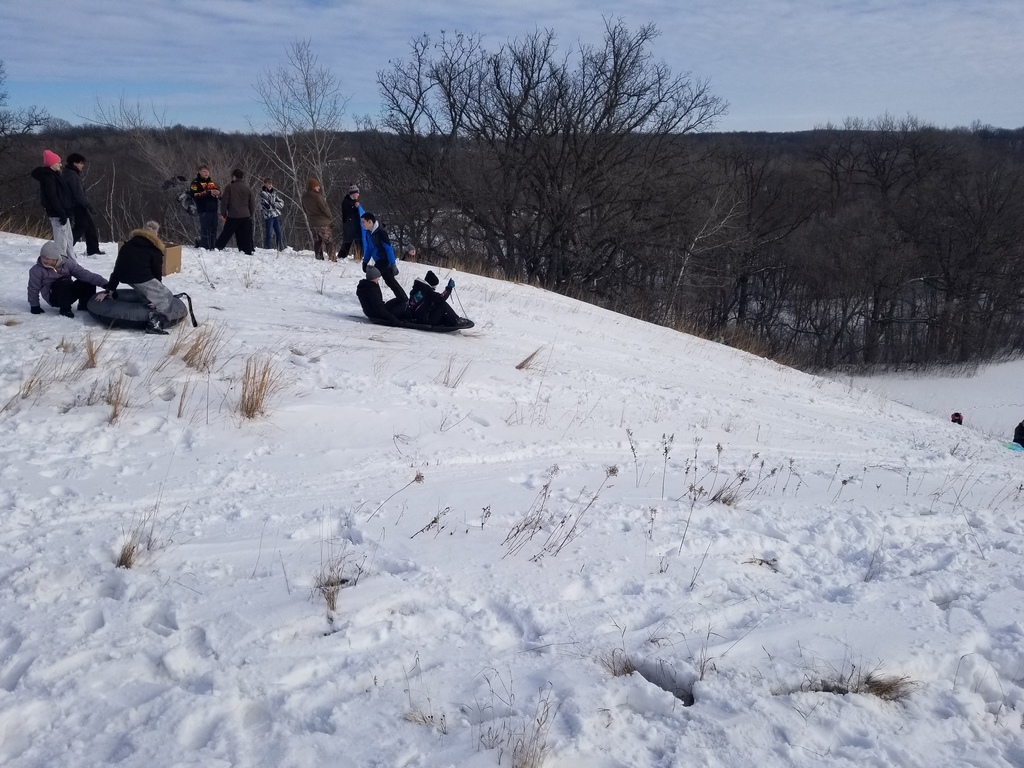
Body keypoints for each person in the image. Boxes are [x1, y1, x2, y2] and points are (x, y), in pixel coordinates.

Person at [102, 221, 177, 335]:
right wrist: (159, 291)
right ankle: (155, 324)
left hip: (124, 276)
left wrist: (110, 289)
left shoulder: (127, 245)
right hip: (141, 277)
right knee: (166, 296)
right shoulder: (155, 249)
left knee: (144, 288)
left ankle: (148, 300)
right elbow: (156, 274)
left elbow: (118, 267)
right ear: (155, 234)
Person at [27, 240, 110, 318]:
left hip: (66, 292)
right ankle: (65, 310)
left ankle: (85, 305)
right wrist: (34, 305)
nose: (44, 260)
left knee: (87, 281)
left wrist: (105, 284)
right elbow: (33, 288)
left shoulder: (67, 263)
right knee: (64, 282)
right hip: (53, 297)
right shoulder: (36, 270)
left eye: (48, 258)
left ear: (55, 258)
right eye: (43, 257)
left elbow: (84, 274)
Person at [30, 150, 76, 262]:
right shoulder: (48, 178)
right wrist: (61, 213)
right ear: (52, 163)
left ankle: (71, 261)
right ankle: (61, 261)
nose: (60, 164)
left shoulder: (55, 175)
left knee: (68, 238)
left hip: (64, 211)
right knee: (61, 240)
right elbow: (53, 197)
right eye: (58, 162)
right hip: (58, 214)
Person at [62, 153, 104, 255]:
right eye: (81, 163)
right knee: (80, 228)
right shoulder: (73, 177)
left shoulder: (67, 173)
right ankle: (65, 248)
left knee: (89, 227)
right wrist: (89, 206)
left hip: (75, 204)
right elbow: (79, 195)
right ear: (75, 163)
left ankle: (93, 250)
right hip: (76, 205)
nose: (82, 165)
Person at [360, 212, 406, 301]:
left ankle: (376, 300)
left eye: (363, 222)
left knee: (372, 278)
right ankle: (403, 299)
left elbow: (389, 249)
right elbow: (369, 248)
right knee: (390, 281)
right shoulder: (368, 233)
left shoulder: (381, 232)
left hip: (384, 260)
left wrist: (393, 264)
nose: (362, 224)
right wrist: (365, 261)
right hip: (379, 260)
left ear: (370, 222)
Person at [215, 169, 256, 254]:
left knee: (226, 233)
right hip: (246, 215)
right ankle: (247, 250)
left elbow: (224, 201)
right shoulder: (247, 188)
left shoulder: (229, 187)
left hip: (233, 215)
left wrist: (224, 213)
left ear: (234, 177)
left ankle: (218, 247)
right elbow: (252, 203)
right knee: (245, 235)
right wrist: (250, 214)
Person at [301, 178, 335, 261]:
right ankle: (332, 258)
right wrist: (330, 217)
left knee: (317, 241)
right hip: (323, 223)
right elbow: (325, 208)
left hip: (313, 223)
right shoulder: (318, 197)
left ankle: (319, 257)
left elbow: (304, 209)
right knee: (328, 241)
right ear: (313, 187)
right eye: (317, 186)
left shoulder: (304, 197)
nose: (319, 187)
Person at [189, 164, 221, 249]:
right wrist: (208, 192)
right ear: (199, 172)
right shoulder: (195, 183)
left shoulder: (211, 182)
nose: (206, 173)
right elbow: (194, 195)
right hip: (203, 209)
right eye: (204, 171)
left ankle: (213, 245)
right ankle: (204, 246)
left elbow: (216, 190)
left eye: (207, 172)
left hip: (213, 209)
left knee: (214, 229)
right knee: (205, 229)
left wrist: (217, 193)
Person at [338, 184, 363, 261]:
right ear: (353, 193)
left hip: (356, 225)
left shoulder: (355, 201)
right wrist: (354, 207)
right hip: (348, 225)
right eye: (357, 193)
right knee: (348, 241)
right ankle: (342, 256)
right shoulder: (345, 202)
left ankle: (358, 256)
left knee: (358, 240)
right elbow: (346, 213)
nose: (358, 195)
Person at [259, 178, 285, 250]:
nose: (270, 185)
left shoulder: (274, 193)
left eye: (271, 184)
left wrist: (274, 204)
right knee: (269, 234)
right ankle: (268, 248)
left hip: (276, 215)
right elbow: (266, 206)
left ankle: (280, 248)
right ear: (265, 184)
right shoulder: (262, 193)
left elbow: (281, 203)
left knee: (279, 233)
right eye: (268, 183)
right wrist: (274, 205)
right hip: (268, 216)